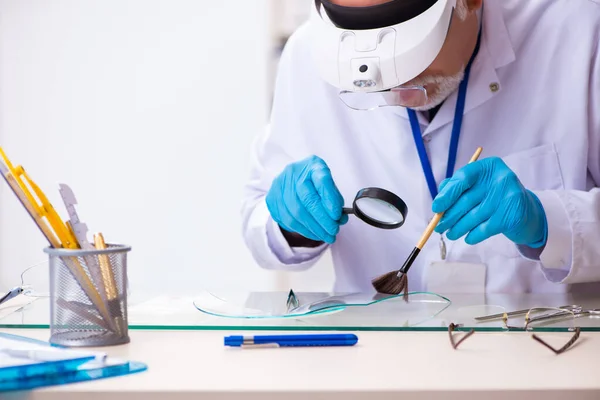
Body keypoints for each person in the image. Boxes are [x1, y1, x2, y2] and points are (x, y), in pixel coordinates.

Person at [241, 0, 600, 294]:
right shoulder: (306, 55)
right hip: (378, 358)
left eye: (410, 59)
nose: (393, 83)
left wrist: (546, 221)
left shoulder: (580, 30)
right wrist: (293, 225)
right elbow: (261, 226)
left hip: (542, 356)